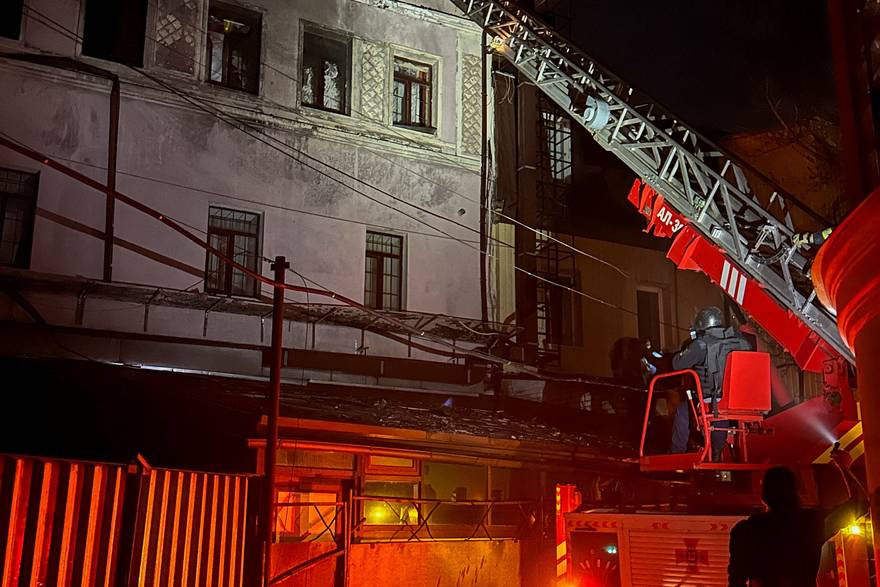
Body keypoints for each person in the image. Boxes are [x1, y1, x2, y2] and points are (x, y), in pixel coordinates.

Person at [728, 451, 868, 586]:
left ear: (764, 496)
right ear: (796, 492)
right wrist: (844, 467)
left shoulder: (745, 530)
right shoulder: (811, 524)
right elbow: (860, 504)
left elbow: (736, 581)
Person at [670, 307, 751, 460]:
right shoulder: (741, 341)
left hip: (714, 401)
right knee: (722, 410)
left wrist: (689, 344)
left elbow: (677, 364)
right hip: (742, 402)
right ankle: (717, 452)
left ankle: (677, 455)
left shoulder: (701, 344)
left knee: (683, 410)